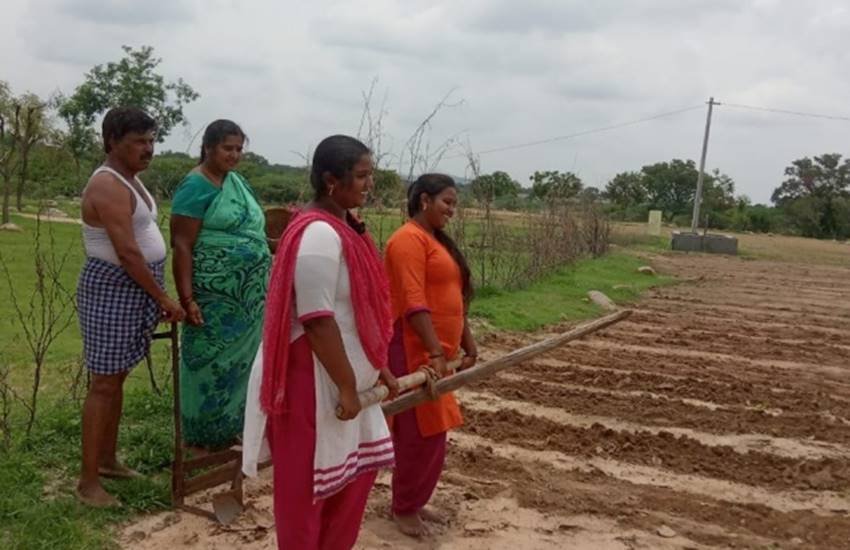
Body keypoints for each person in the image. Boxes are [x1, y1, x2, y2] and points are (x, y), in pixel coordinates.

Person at [243, 135, 397, 549]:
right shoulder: (317, 236)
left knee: (351, 483)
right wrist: (348, 385)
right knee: (306, 491)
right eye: (362, 176)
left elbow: (356, 313)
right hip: (312, 382)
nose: (370, 184)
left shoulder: (346, 228)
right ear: (332, 180)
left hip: (347, 382)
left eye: (371, 175)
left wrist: (377, 365)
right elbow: (317, 319)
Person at [76, 107, 185, 507]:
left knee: (116, 378)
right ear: (111, 142)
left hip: (133, 288)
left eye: (151, 140)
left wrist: (154, 291)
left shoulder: (131, 181)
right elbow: (126, 251)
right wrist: (161, 296)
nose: (149, 149)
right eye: (139, 141)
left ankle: (106, 460)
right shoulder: (107, 185)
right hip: (112, 289)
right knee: (104, 382)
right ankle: (87, 483)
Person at [384, 174, 478, 537]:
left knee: (433, 434)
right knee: (417, 435)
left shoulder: (435, 241)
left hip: (437, 353)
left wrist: (467, 342)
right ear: (424, 200)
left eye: (455, 204)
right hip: (412, 349)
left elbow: (455, 297)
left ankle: (414, 500)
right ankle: (404, 506)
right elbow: (412, 301)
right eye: (447, 203)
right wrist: (435, 351)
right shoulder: (407, 240)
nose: (452, 211)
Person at [170, 120, 272, 450]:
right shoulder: (195, 185)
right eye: (228, 148)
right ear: (209, 147)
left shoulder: (237, 183)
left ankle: (230, 426)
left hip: (249, 300)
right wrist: (188, 299)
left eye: (240, 149)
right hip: (213, 297)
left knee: (241, 362)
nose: (235, 155)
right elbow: (182, 244)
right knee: (209, 361)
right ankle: (200, 434)